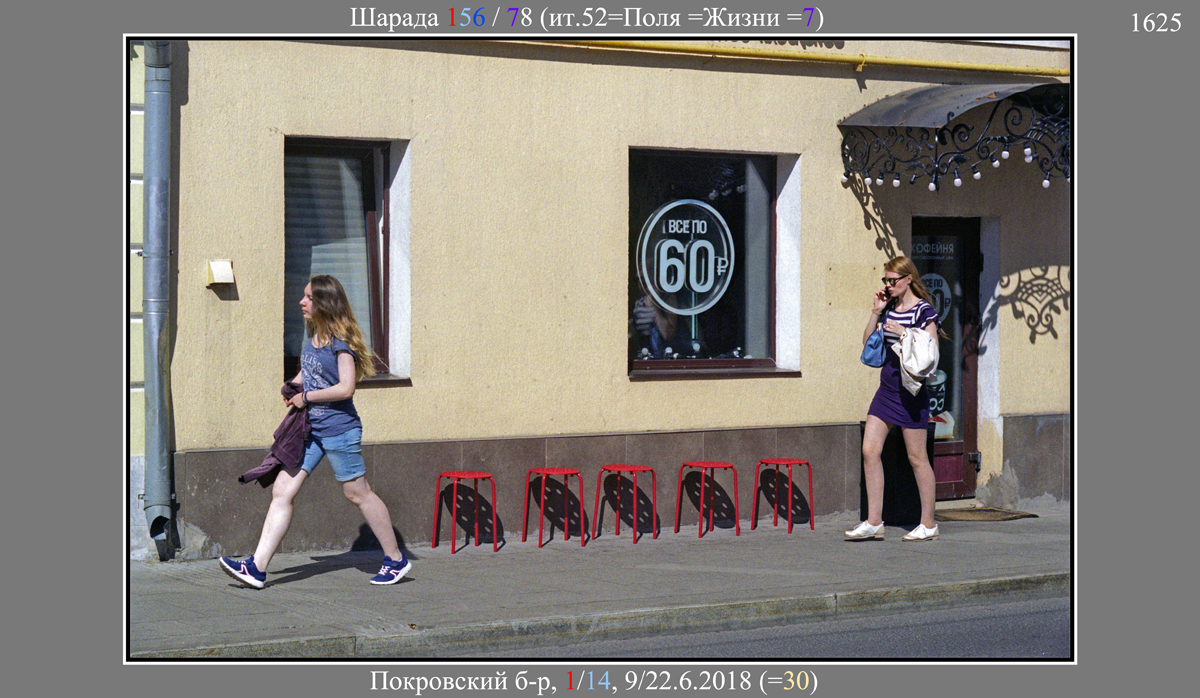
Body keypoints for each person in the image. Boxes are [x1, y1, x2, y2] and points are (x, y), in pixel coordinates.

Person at [219, 275, 411, 588]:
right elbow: (308, 371)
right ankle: (256, 567)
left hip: (339, 430)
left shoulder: (340, 343)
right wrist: (294, 384)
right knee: (282, 490)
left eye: (309, 297)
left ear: (324, 303)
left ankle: (395, 559)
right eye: (304, 296)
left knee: (357, 493)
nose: (302, 302)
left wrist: (306, 397)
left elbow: (346, 388)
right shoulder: (314, 335)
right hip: (311, 430)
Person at [846, 256, 944, 542]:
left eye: (893, 280)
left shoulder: (923, 311)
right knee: (869, 450)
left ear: (908, 279)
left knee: (917, 458)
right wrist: (876, 311)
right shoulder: (888, 307)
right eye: (885, 280)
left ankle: (928, 524)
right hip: (886, 389)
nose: (888, 285)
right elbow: (867, 342)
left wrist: (904, 333)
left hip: (911, 392)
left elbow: (932, 350)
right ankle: (874, 522)